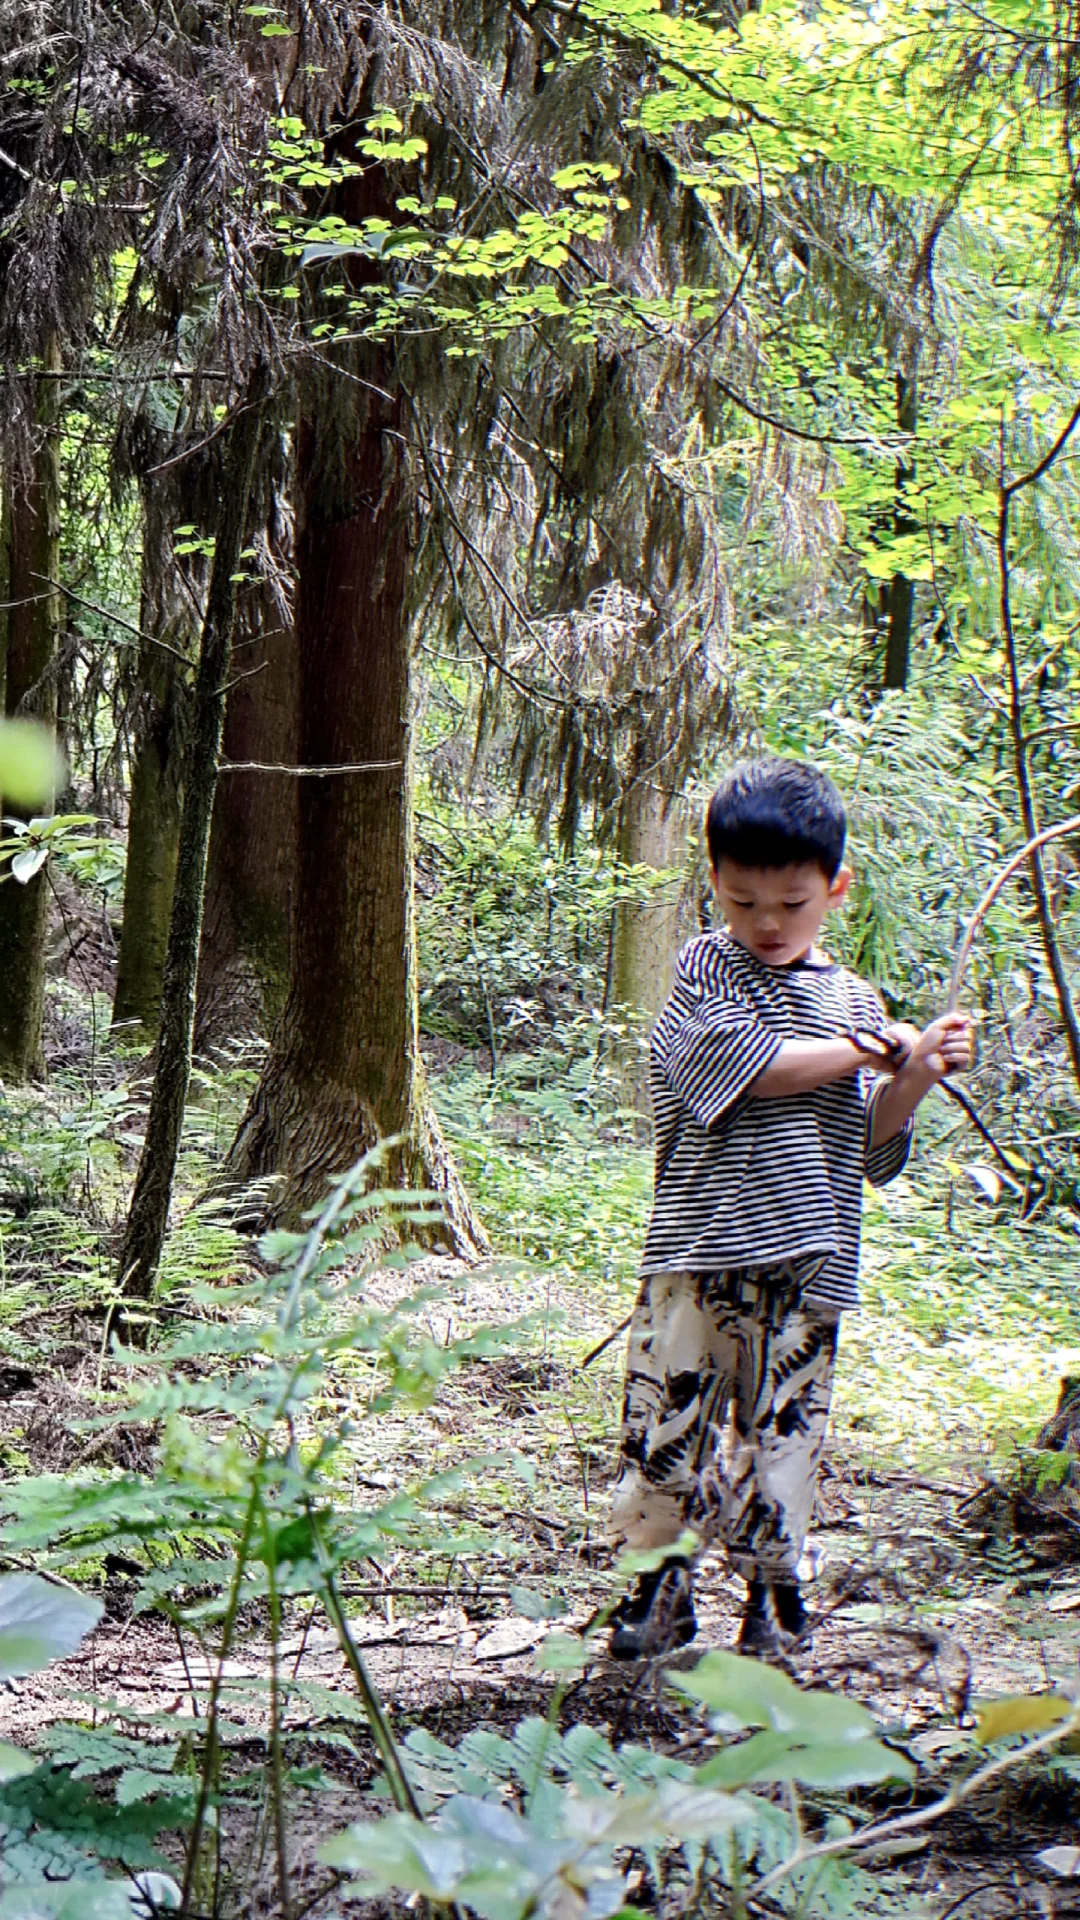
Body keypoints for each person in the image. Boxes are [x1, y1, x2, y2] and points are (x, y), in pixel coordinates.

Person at [606, 756, 972, 1660]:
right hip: (698, 1253)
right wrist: (870, 1048)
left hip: (810, 1263)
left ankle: (775, 1597)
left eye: (792, 903)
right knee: (668, 1426)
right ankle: (656, 1590)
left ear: (835, 889)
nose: (767, 923)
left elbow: (869, 1144)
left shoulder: (853, 1000)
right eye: (744, 901)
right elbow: (752, 1068)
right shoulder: (705, 969)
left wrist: (917, 1073)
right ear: (714, 884)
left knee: (786, 1437)